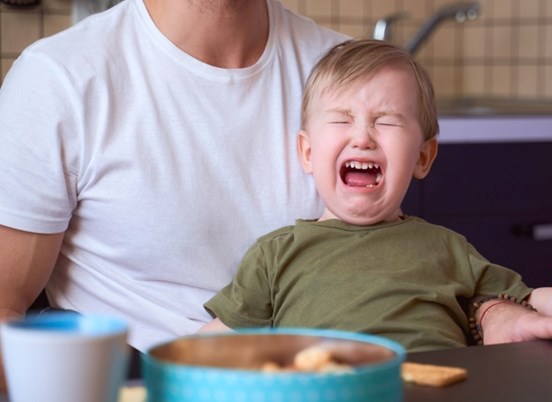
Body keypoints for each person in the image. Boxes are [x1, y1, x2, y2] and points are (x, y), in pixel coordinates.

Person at [200, 39, 552, 351]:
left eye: (385, 121)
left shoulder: (447, 247)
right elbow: (206, 353)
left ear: (423, 157)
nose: (362, 138)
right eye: (342, 120)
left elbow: (529, 302)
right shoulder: (276, 255)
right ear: (308, 153)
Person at [0, 0, 348, 356]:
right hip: (132, 382)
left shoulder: (346, 76)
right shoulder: (58, 78)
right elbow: (4, 309)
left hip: (315, 379)